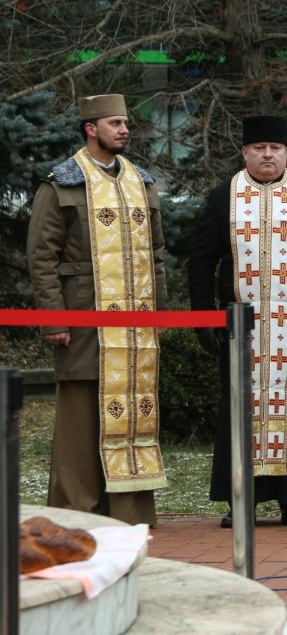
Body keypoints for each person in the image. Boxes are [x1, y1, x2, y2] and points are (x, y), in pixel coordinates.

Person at [188, 115, 287, 528]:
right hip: (239, 325)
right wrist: (204, 319)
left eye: (275, 148)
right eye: (259, 148)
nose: (267, 155)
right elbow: (201, 261)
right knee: (240, 404)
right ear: (245, 152)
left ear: (286, 152)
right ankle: (241, 499)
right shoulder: (223, 197)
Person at [26, 93, 168, 526]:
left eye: (125, 123)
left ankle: (129, 511)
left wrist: (160, 313)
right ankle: (77, 512)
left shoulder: (141, 181)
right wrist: (54, 318)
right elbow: (42, 256)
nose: (124, 130)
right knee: (80, 419)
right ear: (91, 129)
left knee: (135, 413)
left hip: (136, 323)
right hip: (84, 320)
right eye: (115, 123)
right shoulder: (61, 183)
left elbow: (156, 254)